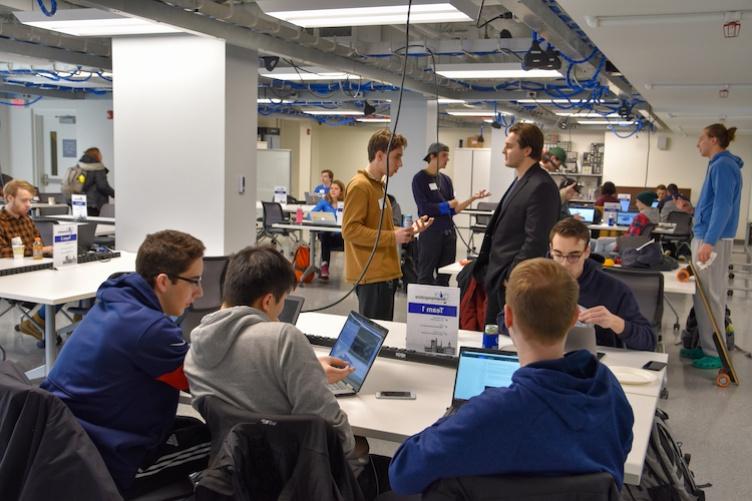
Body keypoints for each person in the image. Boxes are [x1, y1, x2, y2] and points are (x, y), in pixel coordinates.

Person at [388, 258, 634, 495]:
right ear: (573, 319)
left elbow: (402, 475)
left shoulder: (491, 412)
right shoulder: (608, 389)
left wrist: (454, 419)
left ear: (507, 316)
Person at [41, 230, 210, 497]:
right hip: (109, 463)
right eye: (194, 281)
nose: (200, 292)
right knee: (229, 446)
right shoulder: (151, 330)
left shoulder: (116, 297)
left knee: (194, 430)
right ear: (164, 281)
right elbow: (205, 383)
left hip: (70, 443)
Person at [184, 246, 364, 469]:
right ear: (267, 301)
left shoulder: (195, 349)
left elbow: (246, 379)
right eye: (282, 303)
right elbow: (335, 436)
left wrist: (308, 369)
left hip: (229, 469)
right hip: (294, 475)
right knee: (364, 452)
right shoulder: (284, 339)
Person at [342, 128, 433, 321]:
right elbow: (350, 231)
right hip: (371, 277)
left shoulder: (378, 186)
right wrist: (393, 236)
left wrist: (410, 231)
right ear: (380, 156)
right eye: (397, 157)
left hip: (384, 274)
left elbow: (381, 229)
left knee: (383, 335)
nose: (400, 163)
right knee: (373, 338)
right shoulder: (360, 186)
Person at [476, 123, 560, 325]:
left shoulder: (542, 186)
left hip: (513, 282)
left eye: (510, 146)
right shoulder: (521, 181)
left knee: (509, 341)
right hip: (499, 277)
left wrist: (512, 277)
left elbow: (536, 241)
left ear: (527, 150)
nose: (504, 151)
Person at [682, 124, 743, 370]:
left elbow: (723, 207)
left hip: (713, 240)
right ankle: (705, 344)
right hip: (708, 236)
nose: (698, 143)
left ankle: (714, 351)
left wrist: (708, 241)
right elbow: (712, 206)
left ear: (714, 140)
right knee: (703, 295)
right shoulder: (718, 165)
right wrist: (693, 211)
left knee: (713, 297)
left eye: (701, 138)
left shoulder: (723, 166)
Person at [551, 218, 656, 351]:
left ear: (587, 252)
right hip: (544, 359)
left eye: (574, 255)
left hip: (593, 363)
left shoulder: (614, 290)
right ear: (551, 249)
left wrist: (615, 322)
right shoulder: (538, 281)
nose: (564, 263)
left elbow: (649, 342)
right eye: (558, 255)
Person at [411, 142, 489, 286]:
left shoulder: (446, 180)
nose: (447, 159)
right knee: (425, 276)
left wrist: (473, 198)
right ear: (432, 156)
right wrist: (446, 205)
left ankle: (441, 306)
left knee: (444, 277)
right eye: (444, 155)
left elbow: (453, 210)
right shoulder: (419, 179)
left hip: (448, 235)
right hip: (430, 234)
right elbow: (424, 209)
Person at [1, 180, 55, 341]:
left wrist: (43, 250)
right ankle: (36, 322)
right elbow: (2, 253)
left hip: (33, 271)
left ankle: (38, 322)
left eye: (30, 200)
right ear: (9, 198)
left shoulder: (27, 220)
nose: (29, 205)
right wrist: (40, 250)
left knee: (72, 282)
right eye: (24, 200)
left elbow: (39, 245)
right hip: (10, 277)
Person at [592, 191, 658, 256]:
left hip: (629, 244)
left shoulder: (640, 217)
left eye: (637, 202)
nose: (636, 204)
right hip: (640, 243)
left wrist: (618, 244)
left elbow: (632, 237)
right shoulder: (654, 215)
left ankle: (598, 262)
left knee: (603, 245)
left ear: (643, 203)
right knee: (600, 240)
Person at [310, 179, 346, 280]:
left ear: (341, 191)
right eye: (331, 188)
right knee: (324, 234)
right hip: (328, 236)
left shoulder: (346, 203)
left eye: (336, 189)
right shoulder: (324, 202)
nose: (333, 191)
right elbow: (311, 215)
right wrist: (320, 218)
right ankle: (324, 266)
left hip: (343, 237)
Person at [78, 147, 115, 217]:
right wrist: (114, 194)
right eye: (100, 154)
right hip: (95, 203)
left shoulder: (80, 166)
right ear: (96, 155)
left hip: (81, 202)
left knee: (84, 225)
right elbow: (102, 186)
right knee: (95, 225)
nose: (101, 156)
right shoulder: (98, 167)